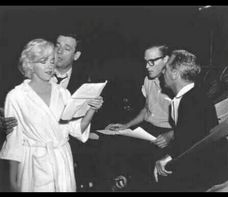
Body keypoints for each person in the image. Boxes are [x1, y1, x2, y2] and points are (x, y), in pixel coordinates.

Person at [0, 38, 103, 192]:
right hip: (33, 166)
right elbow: (13, 142)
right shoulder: (16, 96)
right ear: (30, 64)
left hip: (62, 162)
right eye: (43, 61)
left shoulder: (63, 93)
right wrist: (13, 182)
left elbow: (75, 129)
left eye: (52, 61)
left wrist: (92, 109)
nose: (50, 65)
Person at [97, 45, 174, 190]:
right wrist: (126, 126)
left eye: (152, 61)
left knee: (145, 163)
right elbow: (146, 110)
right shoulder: (148, 80)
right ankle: (118, 182)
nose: (147, 66)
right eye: (146, 61)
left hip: (167, 133)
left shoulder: (174, 85)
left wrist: (170, 135)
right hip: (149, 129)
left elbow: (189, 122)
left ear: (166, 59)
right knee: (110, 142)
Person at [153, 49, 225, 191]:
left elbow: (192, 138)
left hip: (201, 173)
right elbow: (188, 131)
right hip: (196, 163)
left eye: (166, 68)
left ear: (174, 74)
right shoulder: (191, 96)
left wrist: (168, 157)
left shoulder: (194, 101)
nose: (162, 72)